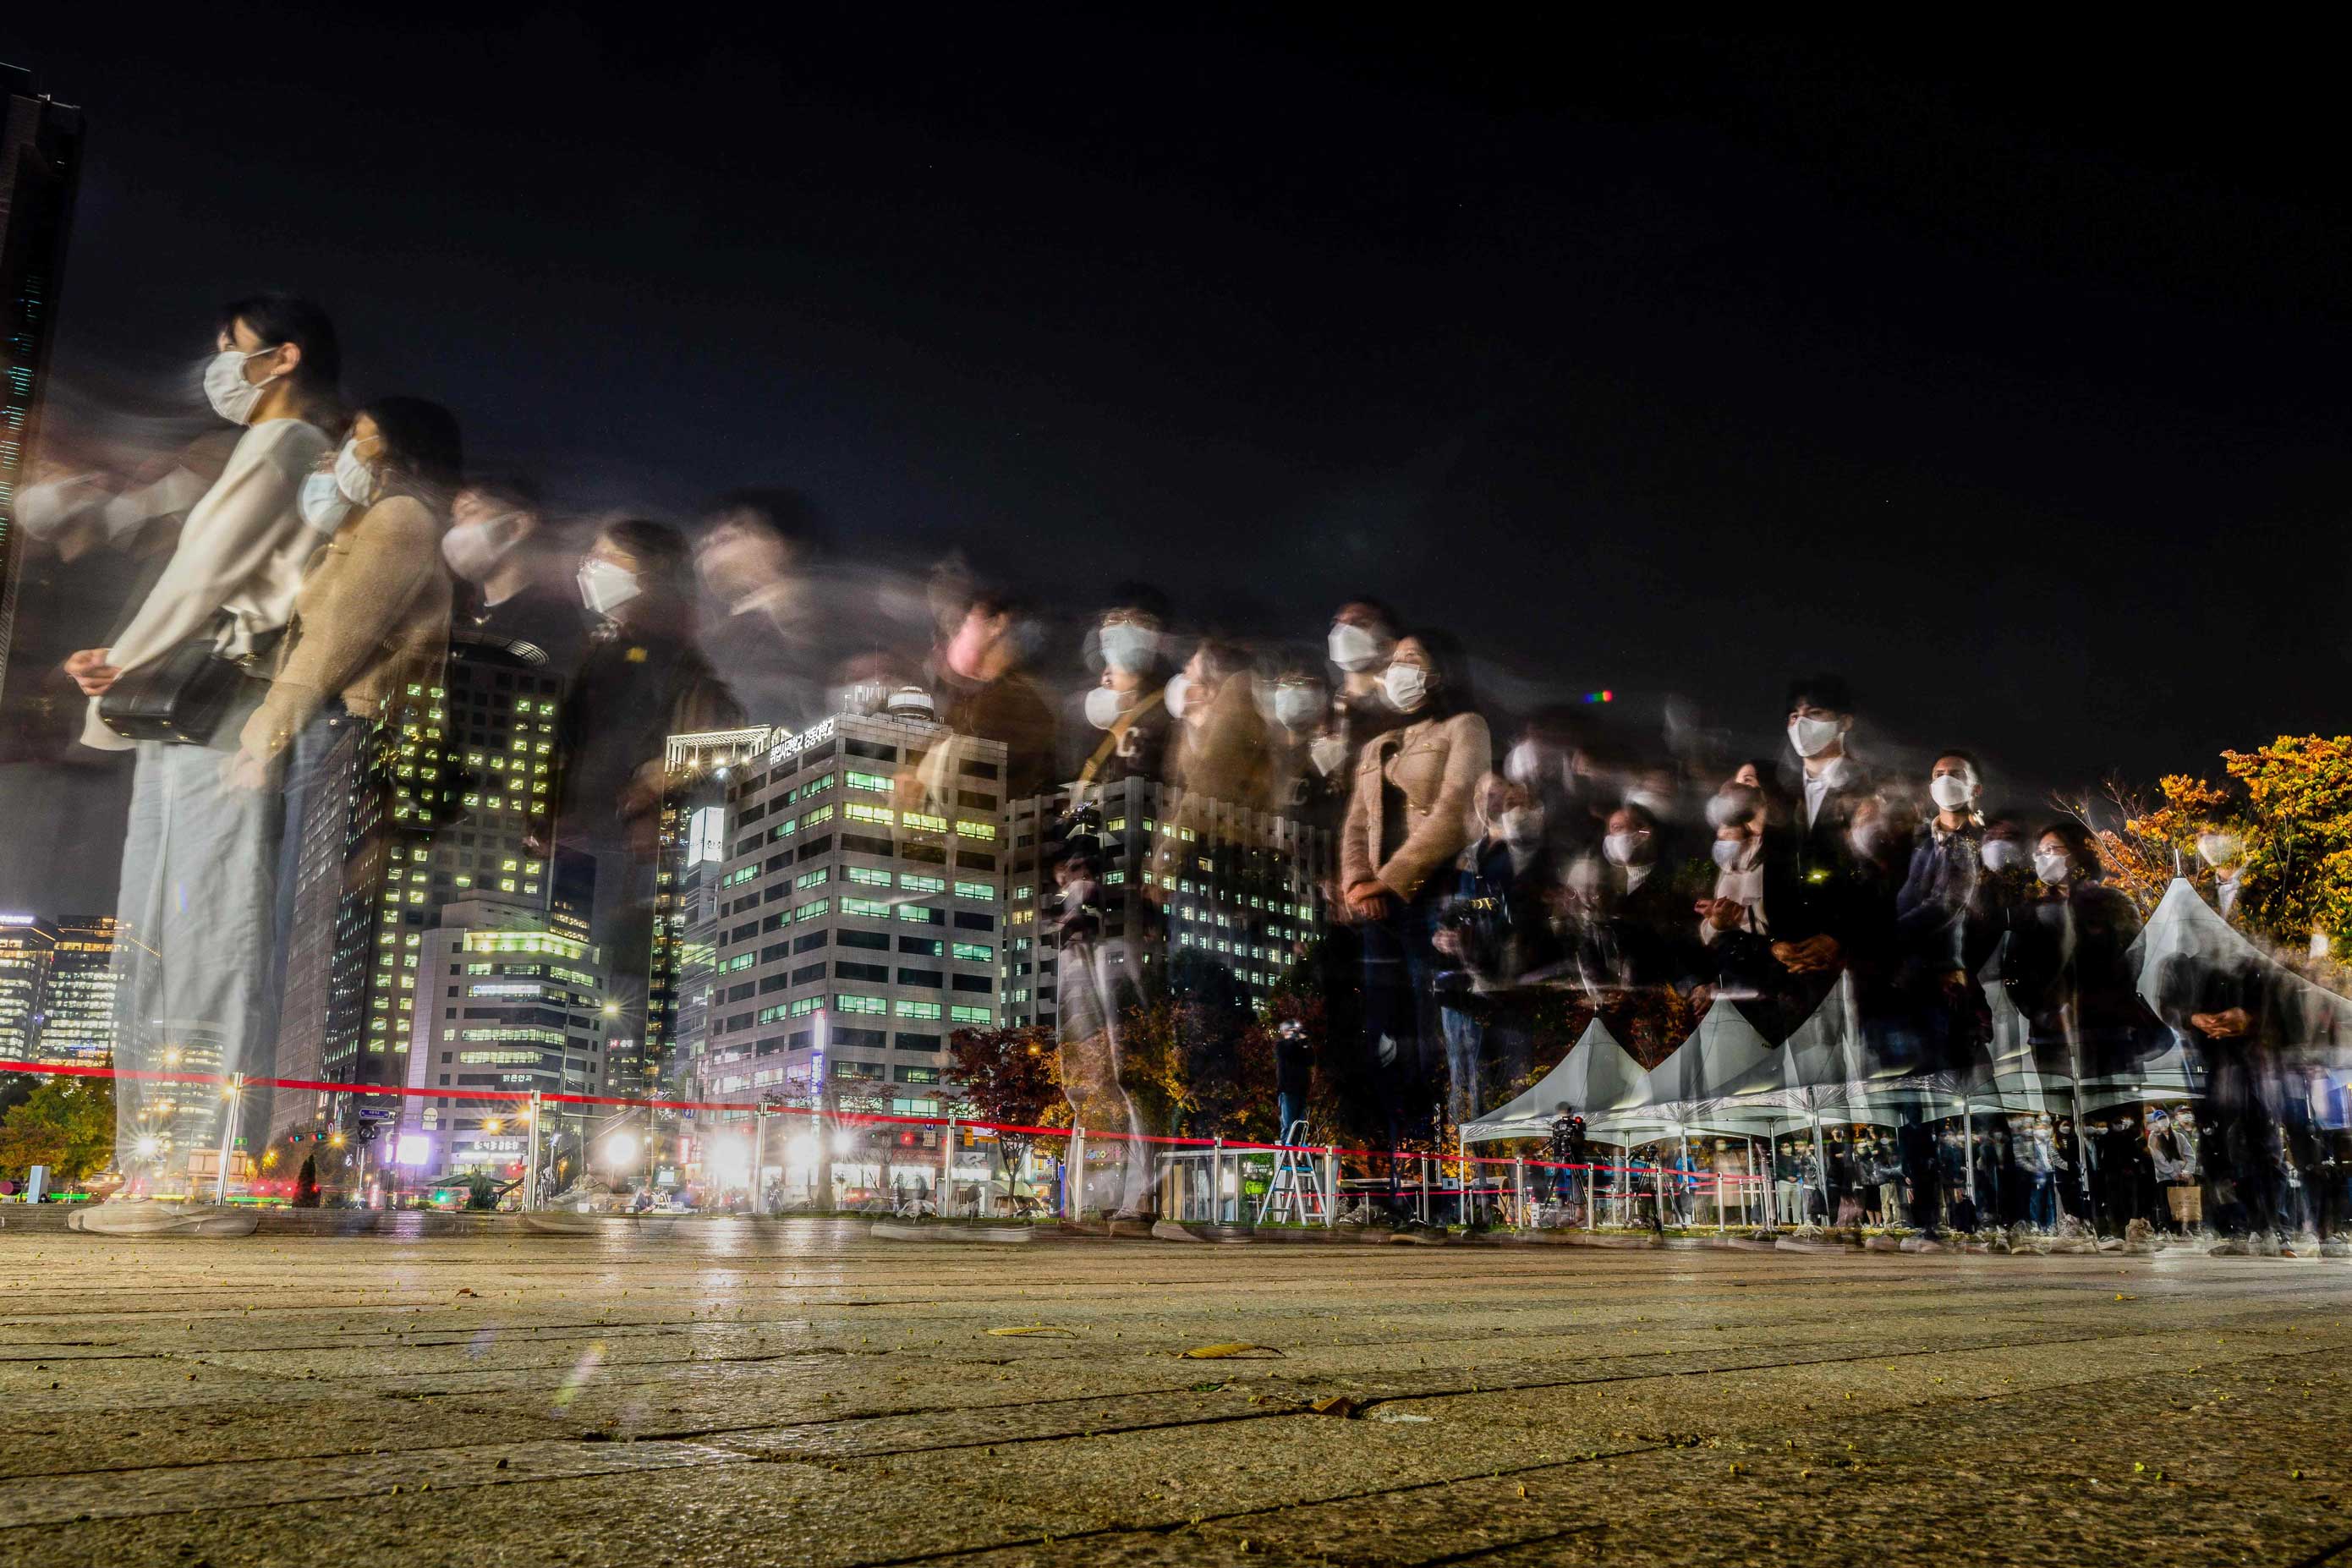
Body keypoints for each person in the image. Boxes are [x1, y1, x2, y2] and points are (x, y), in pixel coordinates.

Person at [65, 295, 341, 1206]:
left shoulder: (288, 446)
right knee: (167, 920)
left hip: (224, 700)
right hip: (202, 699)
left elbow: (209, 570)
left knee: (207, 920)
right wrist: (125, 661)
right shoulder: (280, 452)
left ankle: (192, 1163)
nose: (217, 366)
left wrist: (123, 667)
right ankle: (159, 1156)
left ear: (283, 359)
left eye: (232, 350)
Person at [554, 518, 743, 1039]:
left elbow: (729, 736)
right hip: (594, 852)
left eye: (609, 560)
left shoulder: (677, 662)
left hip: (639, 863)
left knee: (633, 1003)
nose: (590, 570)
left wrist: (663, 777)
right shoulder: (600, 652)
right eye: (591, 557)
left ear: (651, 577)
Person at [1339, 629, 1489, 1211]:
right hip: (1378, 913)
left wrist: (1391, 879)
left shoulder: (1465, 727)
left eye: (1412, 660)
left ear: (1439, 672)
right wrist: (1358, 882)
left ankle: (1448, 1192)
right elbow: (1355, 825)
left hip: (1434, 901)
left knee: (1434, 1044)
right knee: (1384, 1044)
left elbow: (1456, 812)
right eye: (1392, 660)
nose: (1397, 671)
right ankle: (1399, 1183)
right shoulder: (1377, 746)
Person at [930, 587, 1060, 800]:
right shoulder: (979, 697)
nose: (958, 634)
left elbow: (987, 774)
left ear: (998, 623)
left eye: (965, 623)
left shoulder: (1021, 699)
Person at [443, 478, 585, 672]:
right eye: (456, 519)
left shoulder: (552, 626)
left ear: (517, 526)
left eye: (470, 512)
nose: (456, 531)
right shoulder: (465, 613)